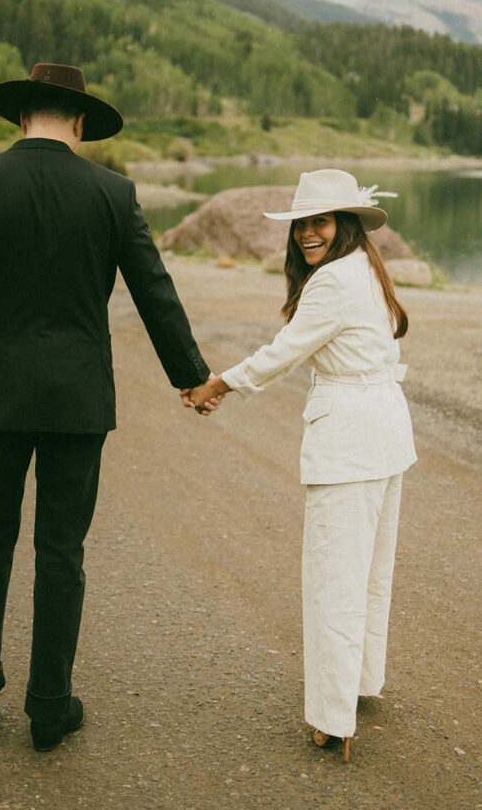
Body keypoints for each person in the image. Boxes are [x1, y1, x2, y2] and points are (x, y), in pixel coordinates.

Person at [0, 63, 214, 751]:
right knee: (61, 549)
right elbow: (154, 291)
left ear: (21, 116)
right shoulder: (113, 192)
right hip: (79, 400)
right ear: (80, 122)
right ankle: (49, 706)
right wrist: (191, 376)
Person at [186, 169, 417, 761]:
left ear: (344, 225)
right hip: (385, 433)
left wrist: (220, 383)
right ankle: (361, 683)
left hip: (350, 439)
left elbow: (284, 351)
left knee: (334, 581)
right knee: (368, 575)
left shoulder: (332, 281)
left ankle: (334, 719)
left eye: (319, 221)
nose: (307, 233)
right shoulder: (366, 269)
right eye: (301, 224)